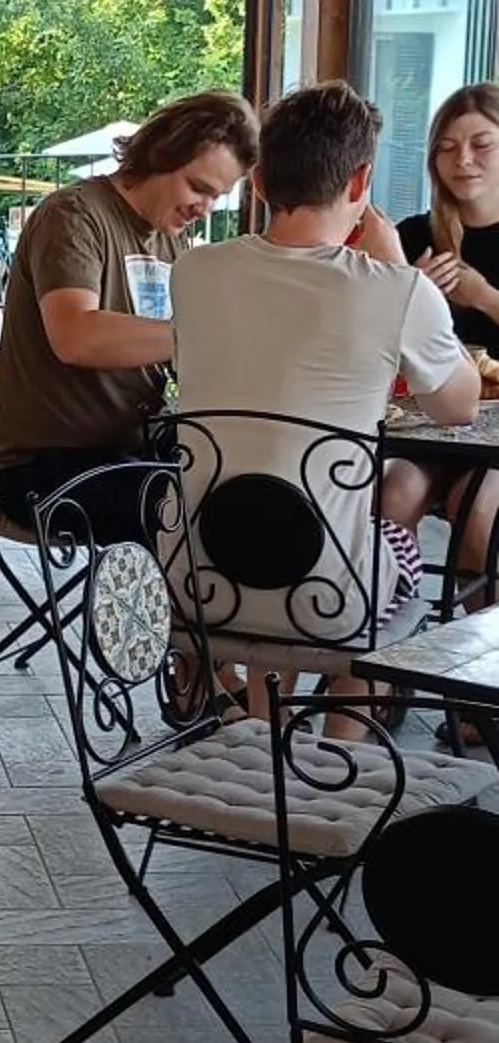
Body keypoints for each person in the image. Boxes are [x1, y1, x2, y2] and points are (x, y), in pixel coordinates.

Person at [171, 79, 479, 658]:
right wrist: (394, 263)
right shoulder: (398, 290)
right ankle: (342, 716)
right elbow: (457, 408)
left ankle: (266, 713)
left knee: (308, 525)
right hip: (330, 604)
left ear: (259, 181)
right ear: (360, 182)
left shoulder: (194, 272)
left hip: (195, 585)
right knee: (391, 543)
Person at [0, 90, 257, 538]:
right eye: (198, 188)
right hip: (42, 467)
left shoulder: (170, 240)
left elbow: (173, 351)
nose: (205, 208)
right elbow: (76, 336)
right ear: (161, 155)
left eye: (217, 196)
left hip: (127, 450)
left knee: (250, 490)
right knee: (200, 519)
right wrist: (200, 335)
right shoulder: (73, 215)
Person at [384, 82, 499, 593]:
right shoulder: (412, 236)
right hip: (425, 420)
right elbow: (375, 335)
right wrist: (413, 298)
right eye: (447, 148)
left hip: (494, 433)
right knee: (393, 497)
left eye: (482, 144)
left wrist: (484, 296)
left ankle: (480, 641)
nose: (464, 160)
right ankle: (391, 632)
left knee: (474, 512)